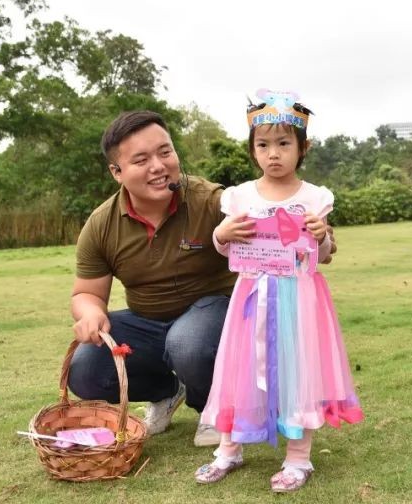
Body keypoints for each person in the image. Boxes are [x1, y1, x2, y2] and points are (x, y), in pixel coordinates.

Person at [195, 90, 363, 492]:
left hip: (299, 302)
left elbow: (322, 256)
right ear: (253, 150)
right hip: (251, 298)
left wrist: (322, 237)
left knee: (299, 371)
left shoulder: (314, 198)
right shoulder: (239, 197)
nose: (274, 154)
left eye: (284, 144)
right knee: (240, 370)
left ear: (302, 148)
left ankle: (299, 459)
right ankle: (228, 450)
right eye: (263, 145)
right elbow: (226, 248)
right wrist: (222, 233)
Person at [68, 110, 232, 447]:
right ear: (117, 172)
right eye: (141, 159)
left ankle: (212, 407)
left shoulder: (211, 201)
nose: (158, 166)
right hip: (149, 323)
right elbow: (85, 293)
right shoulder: (101, 224)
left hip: (214, 315)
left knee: (187, 342)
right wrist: (90, 313)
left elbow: (265, 213)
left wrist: (315, 237)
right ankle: (166, 392)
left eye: (165, 152)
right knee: (83, 367)